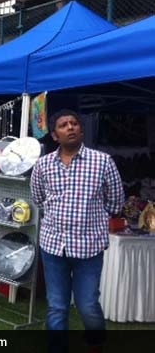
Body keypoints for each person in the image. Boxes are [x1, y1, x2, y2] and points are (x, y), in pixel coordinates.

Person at [31, 110, 124, 349]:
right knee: (57, 306)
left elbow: (115, 203)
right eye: (63, 125)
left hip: (89, 247)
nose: (70, 127)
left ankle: (95, 342)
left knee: (88, 304)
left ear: (81, 131)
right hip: (53, 246)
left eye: (74, 124)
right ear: (54, 135)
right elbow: (38, 199)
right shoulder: (43, 165)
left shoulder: (103, 162)